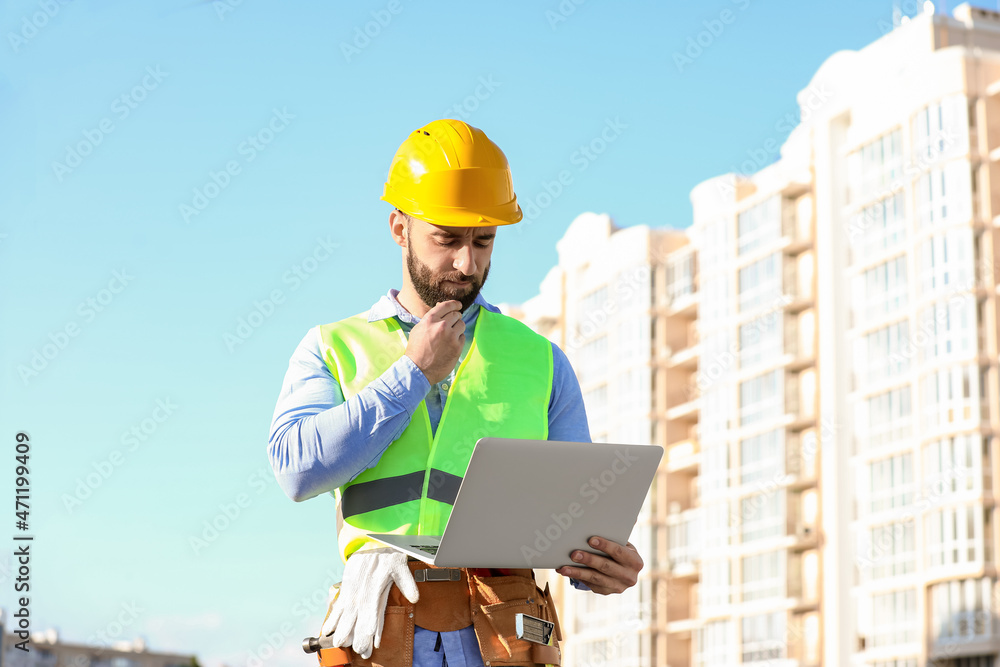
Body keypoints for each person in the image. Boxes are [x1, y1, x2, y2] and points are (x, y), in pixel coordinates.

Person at [268, 119, 643, 667]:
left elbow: (573, 521)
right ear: (400, 228)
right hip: (384, 622)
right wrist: (412, 374)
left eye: (483, 240)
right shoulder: (333, 346)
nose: (468, 263)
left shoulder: (541, 360)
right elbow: (296, 470)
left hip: (506, 629)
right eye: (446, 239)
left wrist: (602, 564)